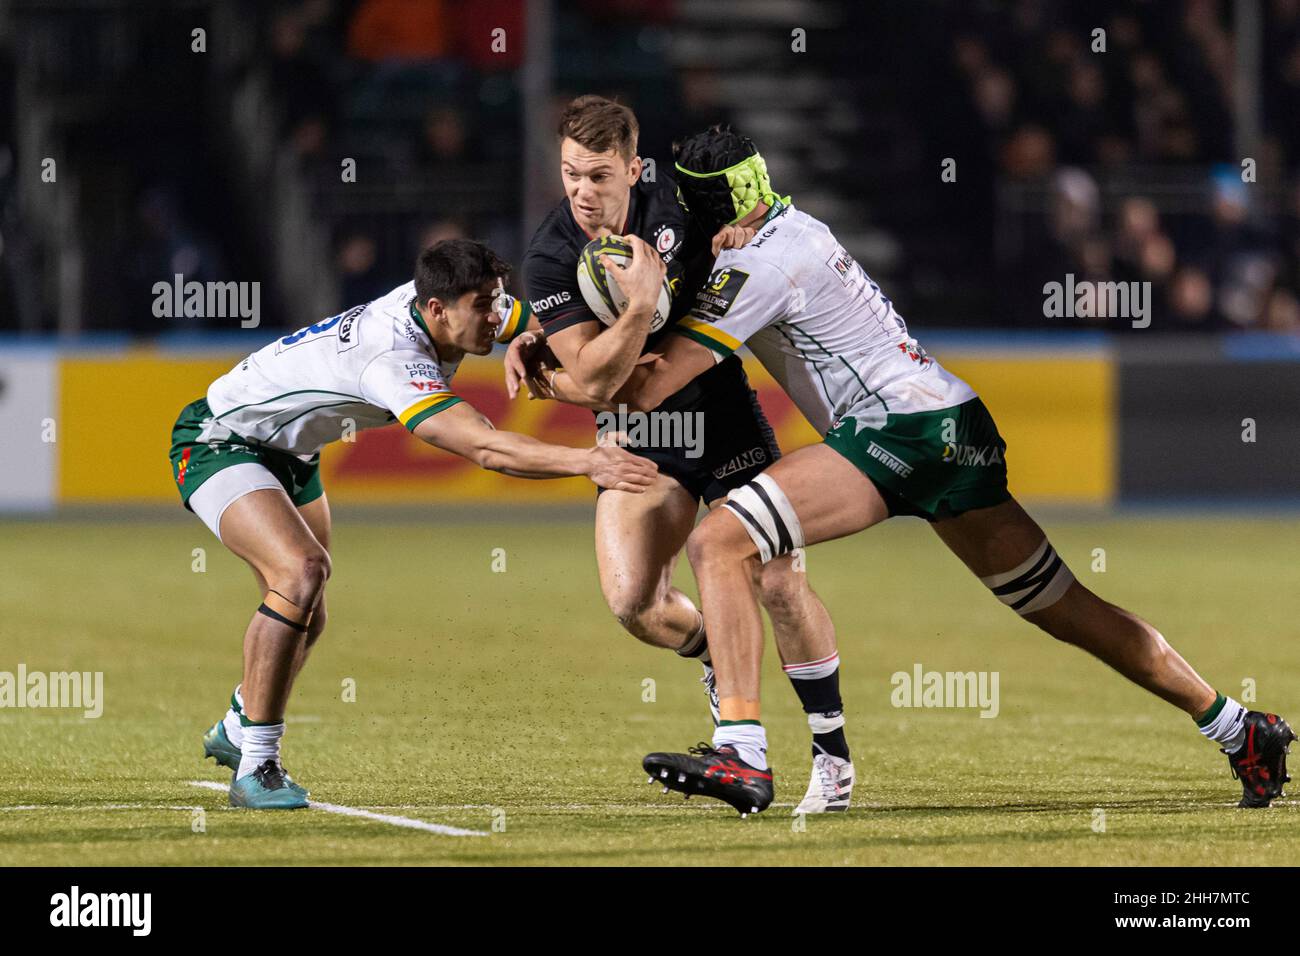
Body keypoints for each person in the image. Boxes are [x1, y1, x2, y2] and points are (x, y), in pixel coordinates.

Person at [559, 125, 1291, 816]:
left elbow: (649, 388)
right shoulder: (796, 228)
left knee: (721, 542)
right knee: (1062, 605)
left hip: (898, 431)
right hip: (954, 422)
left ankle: (742, 751)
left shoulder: (757, 266)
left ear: (708, 204)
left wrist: (572, 362)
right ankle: (1237, 727)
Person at [170, 239, 657, 809]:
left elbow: (545, 326)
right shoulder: (392, 360)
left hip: (290, 452)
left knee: (311, 608)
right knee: (300, 573)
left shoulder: (448, 304)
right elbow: (486, 448)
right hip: (220, 439)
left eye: (496, 301)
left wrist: (539, 339)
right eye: (483, 306)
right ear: (435, 311)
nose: (495, 316)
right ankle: (258, 766)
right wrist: (586, 460)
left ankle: (237, 724)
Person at [506, 96, 853, 813]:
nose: (582, 191)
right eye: (570, 173)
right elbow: (604, 381)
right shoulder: (547, 256)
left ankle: (831, 756)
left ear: (635, 169)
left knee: (781, 584)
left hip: (723, 415)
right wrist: (637, 308)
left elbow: (757, 216)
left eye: (600, 175)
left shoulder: (680, 200)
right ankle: (713, 658)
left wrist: (737, 235)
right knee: (634, 603)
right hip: (642, 435)